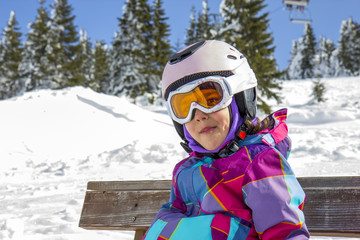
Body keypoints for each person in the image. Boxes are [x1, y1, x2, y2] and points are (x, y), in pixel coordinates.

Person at [143, 40, 310, 239]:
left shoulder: (259, 163)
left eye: (210, 99)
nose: (199, 115)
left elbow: (284, 231)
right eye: (183, 107)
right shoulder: (184, 172)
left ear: (241, 99)